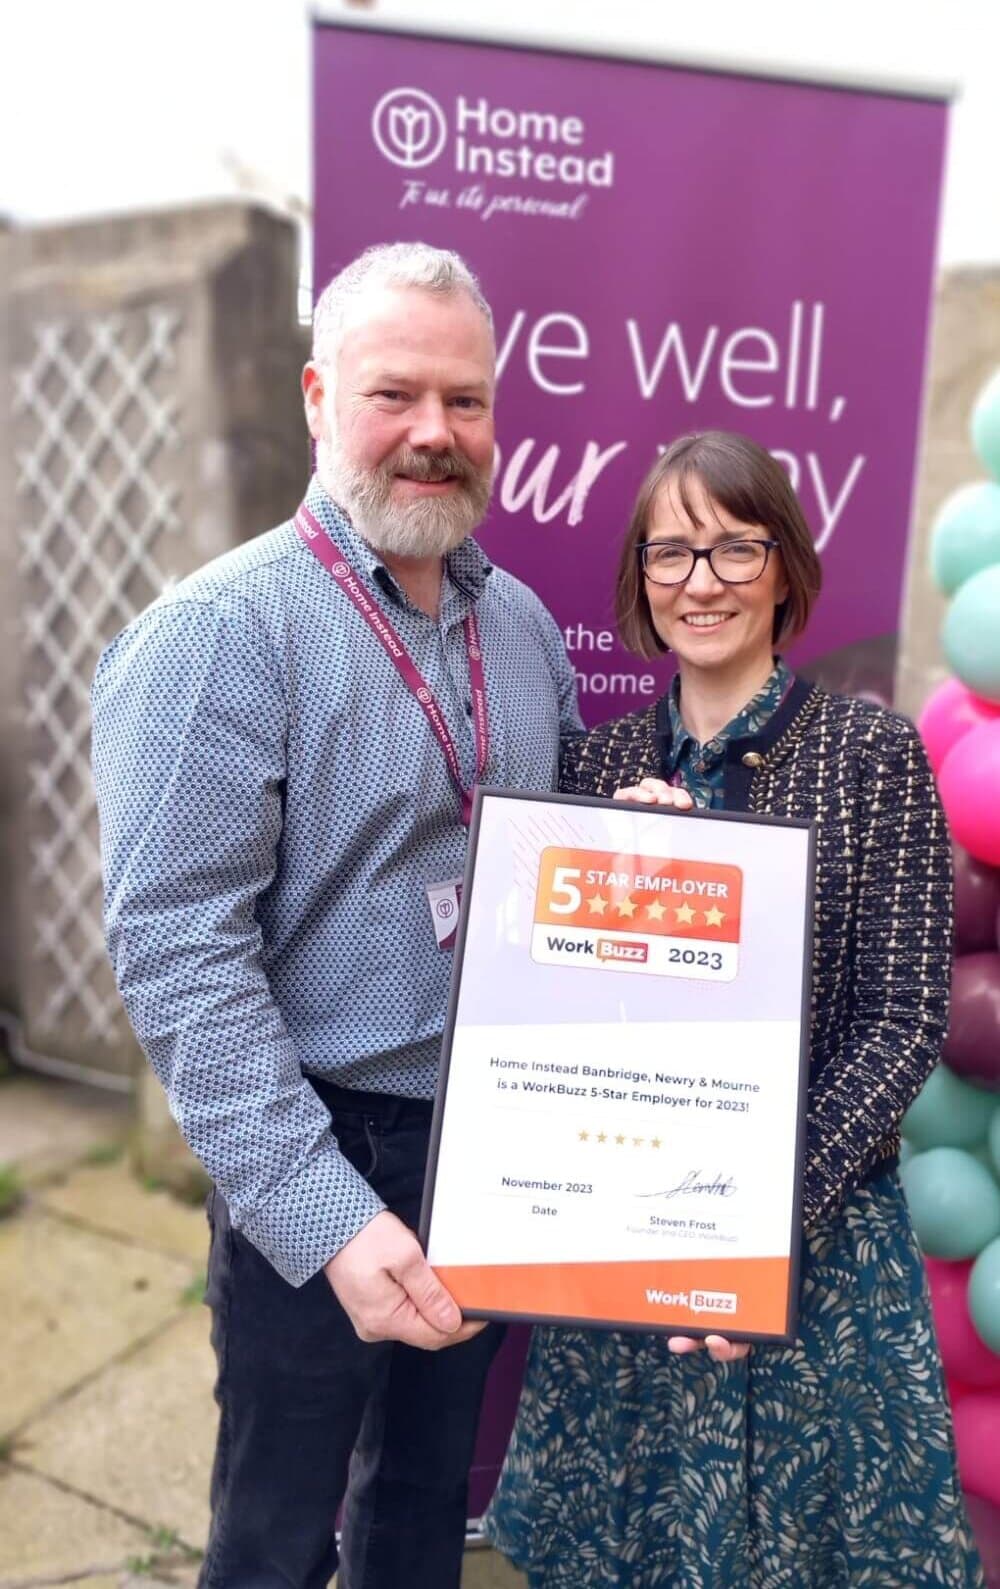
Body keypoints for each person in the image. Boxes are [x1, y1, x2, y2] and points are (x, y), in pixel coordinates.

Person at [91, 241, 581, 1589]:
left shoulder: (524, 627)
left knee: (428, 1498)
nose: (436, 432)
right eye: (396, 393)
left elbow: (565, 852)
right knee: (276, 1524)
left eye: (467, 400)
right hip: (319, 1140)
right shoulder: (220, 635)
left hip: (495, 1143)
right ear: (318, 399)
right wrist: (323, 1212)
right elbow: (181, 952)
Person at [485, 430, 985, 1588]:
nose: (699, 580)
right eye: (671, 552)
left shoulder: (872, 756)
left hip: (807, 1252)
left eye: (731, 547)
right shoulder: (592, 771)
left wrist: (750, 1225)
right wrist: (620, 890)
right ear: (639, 578)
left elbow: (903, 1017)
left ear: (783, 568)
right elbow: (544, 1033)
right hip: (623, 1257)